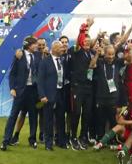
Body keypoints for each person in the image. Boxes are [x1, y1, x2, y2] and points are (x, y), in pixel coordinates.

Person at [2, 37, 41, 150]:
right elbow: (12, 74)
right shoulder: (19, 55)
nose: (37, 46)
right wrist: (12, 88)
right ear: (29, 45)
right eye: (35, 44)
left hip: (33, 91)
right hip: (20, 91)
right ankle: (6, 140)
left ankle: (32, 140)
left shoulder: (38, 55)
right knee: (13, 116)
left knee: (33, 116)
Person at [68, 18, 98, 150]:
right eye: (84, 41)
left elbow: (92, 67)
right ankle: (73, 137)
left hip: (88, 87)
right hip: (77, 87)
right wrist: (88, 27)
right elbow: (80, 39)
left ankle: (83, 136)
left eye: (88, 41)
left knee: (87, 113)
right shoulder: (77, 51)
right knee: (76, 113)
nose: (86, 42)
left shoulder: (90, 53)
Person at [38, 40, 69, 150]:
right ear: (55, 49)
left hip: (60, 93)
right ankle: (48, 144)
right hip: (49, 95)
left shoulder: (62, 61)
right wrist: (42, 95)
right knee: (48, 120)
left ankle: (61, 142)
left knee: (61, 119)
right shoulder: (45, 62)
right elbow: (40, 80)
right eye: (60, 48)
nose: (62, 49)